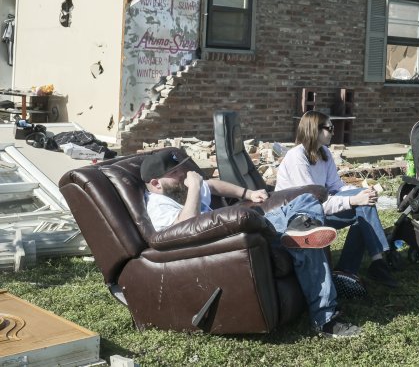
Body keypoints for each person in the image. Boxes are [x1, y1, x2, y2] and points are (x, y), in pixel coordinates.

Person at [140, 149, 360, 338]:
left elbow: (213, 185)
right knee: (304, 238)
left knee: (307, 201)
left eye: (182, 169)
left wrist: (247, 193)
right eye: (175, 172)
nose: (184, 175)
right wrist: (195, 188)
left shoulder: (181, 190)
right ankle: (325, 318)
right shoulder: (159, 206)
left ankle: (300, 228)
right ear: (156, 183)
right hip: (232, 242)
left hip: (250, 229)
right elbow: (185, 229)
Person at [276, 111, 398, 292]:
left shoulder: (323, 152)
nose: (333, 132)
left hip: (317, 209)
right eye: (329, 128)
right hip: (299, 218)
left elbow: (335, 186)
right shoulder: (297, 157)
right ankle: (379, 261)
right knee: (359, 203)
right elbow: (311, 204)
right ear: (314, 130)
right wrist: (353, 200)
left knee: (363, 203)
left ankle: (353, 269)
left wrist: (362, 193)